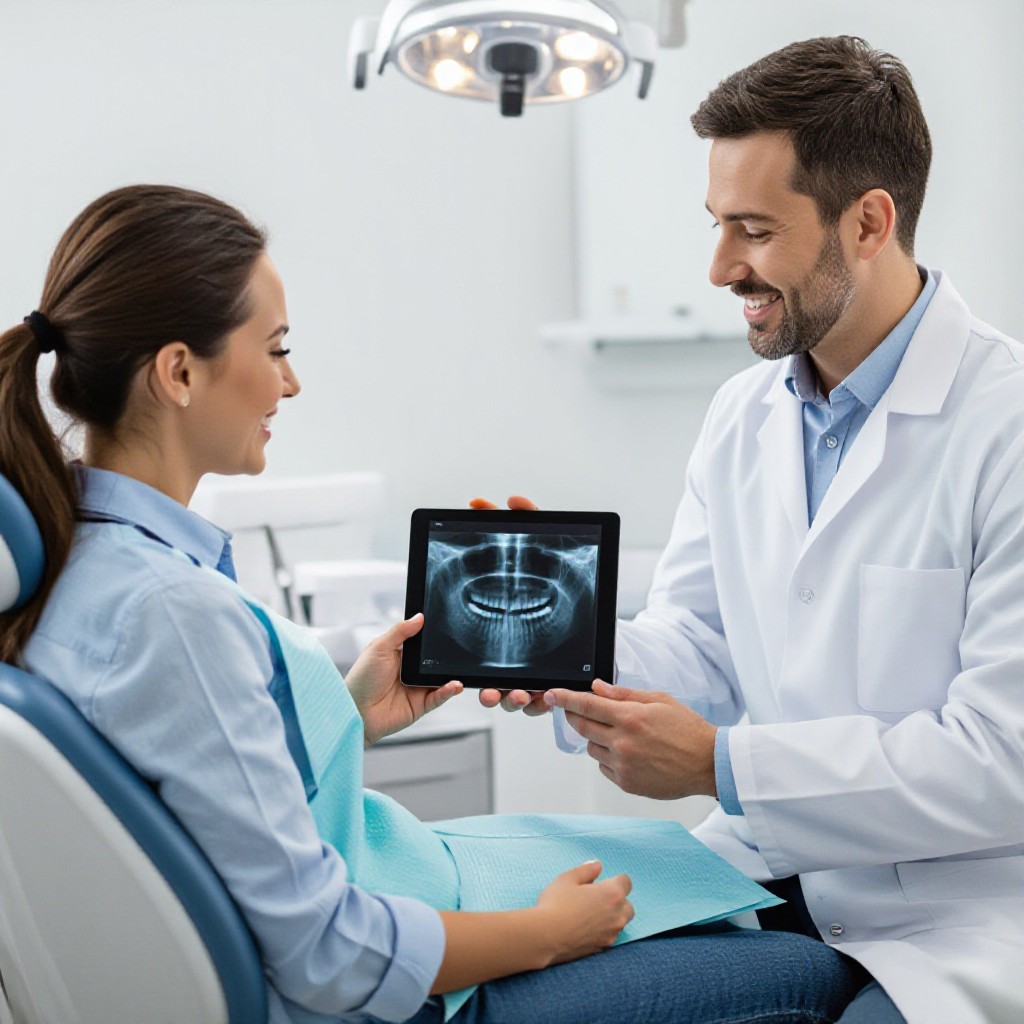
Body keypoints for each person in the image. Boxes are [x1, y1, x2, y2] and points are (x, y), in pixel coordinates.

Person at [0, 184, 873, 1024]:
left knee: (712, 890)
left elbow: (193, 791)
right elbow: (328, 953)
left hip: (367, 914)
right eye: (275, 350)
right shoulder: (169, 611)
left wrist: (346, 716)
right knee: (810, 967)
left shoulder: (81, 564)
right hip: (376, 995)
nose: (290, 385)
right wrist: (546, 935)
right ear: (180, 373)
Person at [477, 36, 1024, 1024]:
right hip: (776, 873)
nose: (722, 265)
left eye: (754, 230)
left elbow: (1003, 759)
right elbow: (702, 645)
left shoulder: (1007, 424)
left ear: (867, 222)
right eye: (716, 224)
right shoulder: (744, 415)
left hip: (972, 918)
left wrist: (722, 765)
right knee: (518, 998)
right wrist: (571, 640)